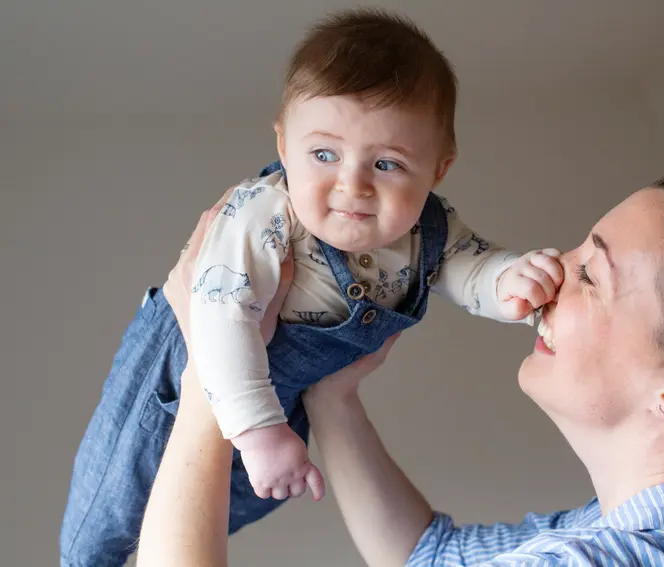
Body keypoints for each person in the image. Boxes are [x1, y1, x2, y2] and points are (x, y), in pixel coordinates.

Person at [140, 168, 664, 566]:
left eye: (591, 275)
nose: (554, 268)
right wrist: (334, 393)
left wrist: (211, 375)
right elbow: (433, 556)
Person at [60, 10, 564, 567]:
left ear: (437, 171)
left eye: (388, 163)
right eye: (324, 154)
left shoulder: (430, 229)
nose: (353, 184)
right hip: (179, 383)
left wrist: (511, 282)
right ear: (283, 144)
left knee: (213, 514)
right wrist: (257, 430)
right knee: (106, 522)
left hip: (281, 406)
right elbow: (221, 320)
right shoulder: (265, 214)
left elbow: (470, 270)